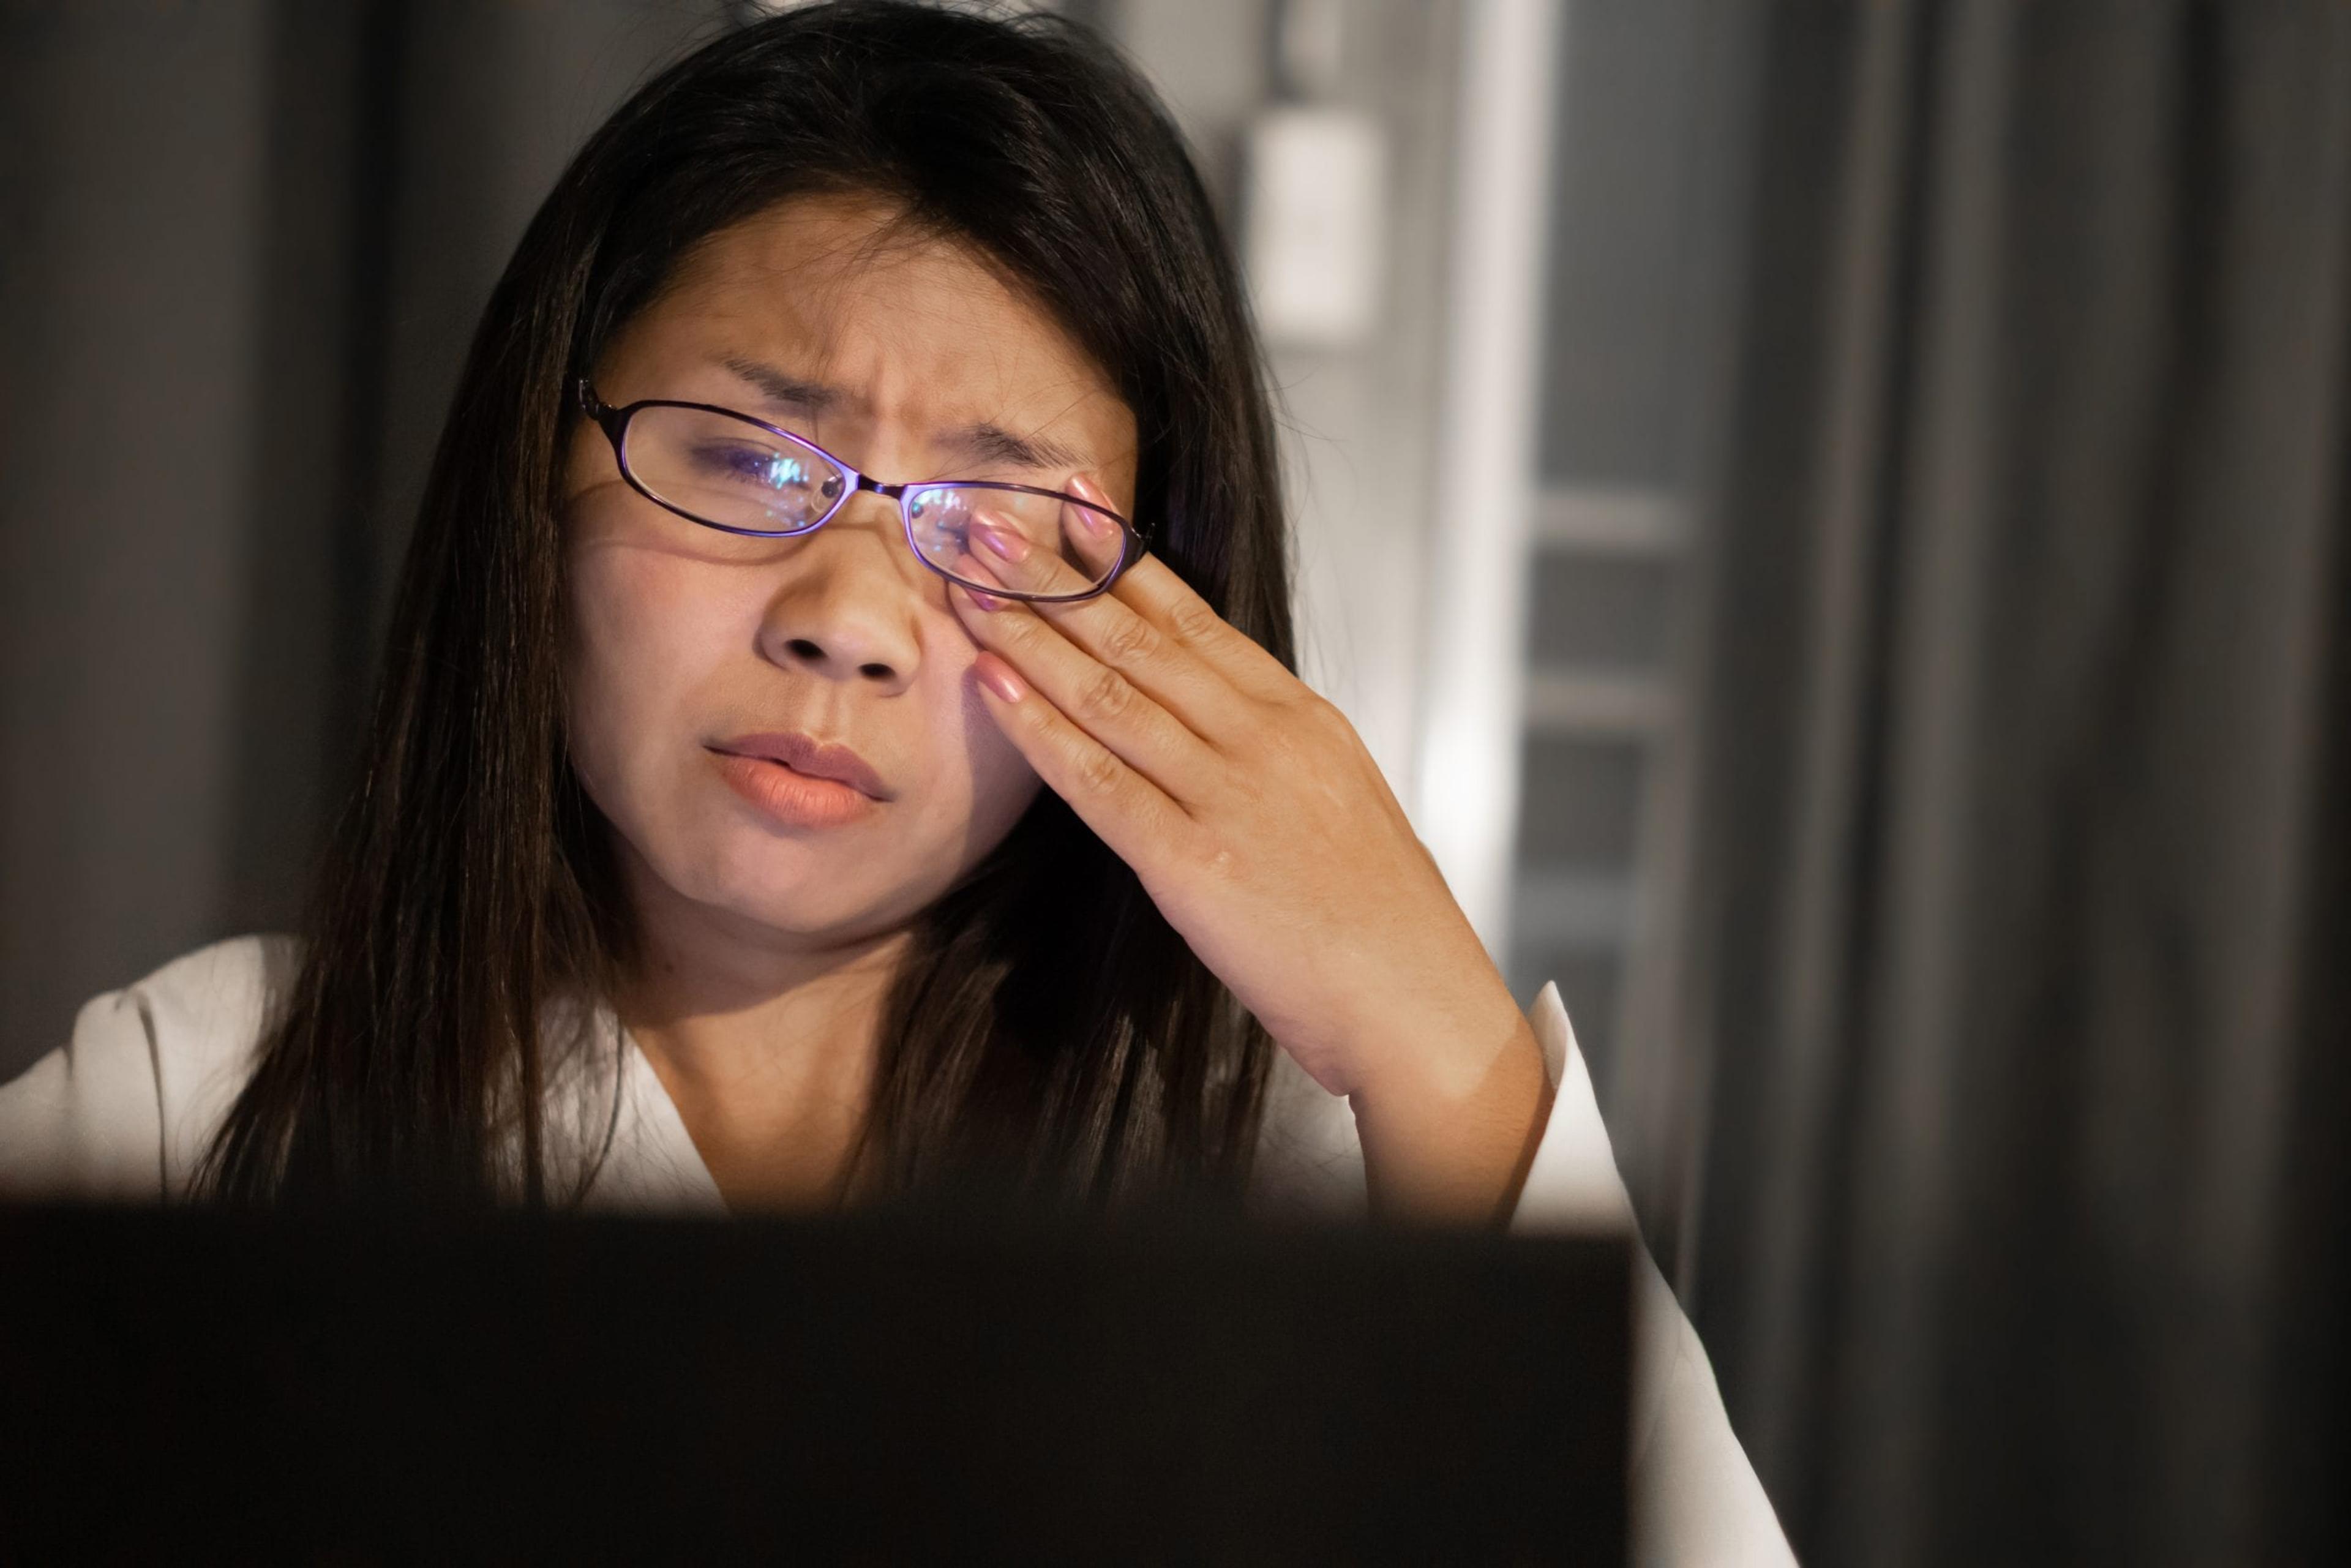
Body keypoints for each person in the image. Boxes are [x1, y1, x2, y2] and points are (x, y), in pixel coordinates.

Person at [0, 3, 1788, 1558]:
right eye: (746, 457)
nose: (851, 619)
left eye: (996, 524)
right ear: (530, 481)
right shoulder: (192, 1114)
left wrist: (1435, 1035)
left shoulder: (1315, 1190)